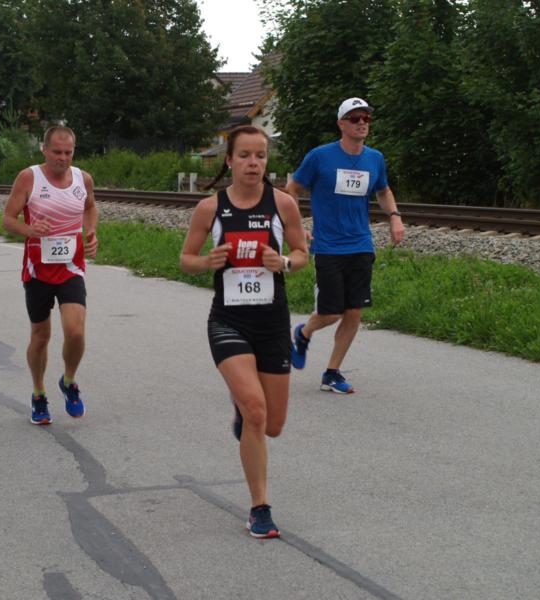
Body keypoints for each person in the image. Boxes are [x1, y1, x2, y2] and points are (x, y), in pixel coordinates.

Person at [180, 125, 308, 539]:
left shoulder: (283, 204)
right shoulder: (210, 208)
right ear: (230, 160)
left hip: (272, 322)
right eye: (245, 155)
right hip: (228, 321)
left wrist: (283, 263)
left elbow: (302, 253)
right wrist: (207, 262)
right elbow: (186, 259)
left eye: (261, 156)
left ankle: (243, 410)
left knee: (273, 425)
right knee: (256, 410)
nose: (254, 163)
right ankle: (259, 508)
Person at [286, 97, 405, 394]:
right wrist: (297, 226)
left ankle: (332, 373)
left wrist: (394, 217)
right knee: (331, 313)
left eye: (366, 118)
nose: (362, 123)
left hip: (361, 244)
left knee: (354, 312)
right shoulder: (319, 157)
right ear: (341, 124)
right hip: (328, 246)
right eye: (355, 118)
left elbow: (383, 190)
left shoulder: (375, 158)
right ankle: (304, 333)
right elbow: (292, 190)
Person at [1, 126, 99, 426]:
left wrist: (91, 232)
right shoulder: (29, 177)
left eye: (68, 152)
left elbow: (90, 207)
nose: (62, 158)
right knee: (41, 336)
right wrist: (30, 230)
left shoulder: (83, 179)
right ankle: (39, 393)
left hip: (71, 267)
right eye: (57, 152)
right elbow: (7, 219)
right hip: (38, 269)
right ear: (44, 149)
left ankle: (68, 381)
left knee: (76, 331)